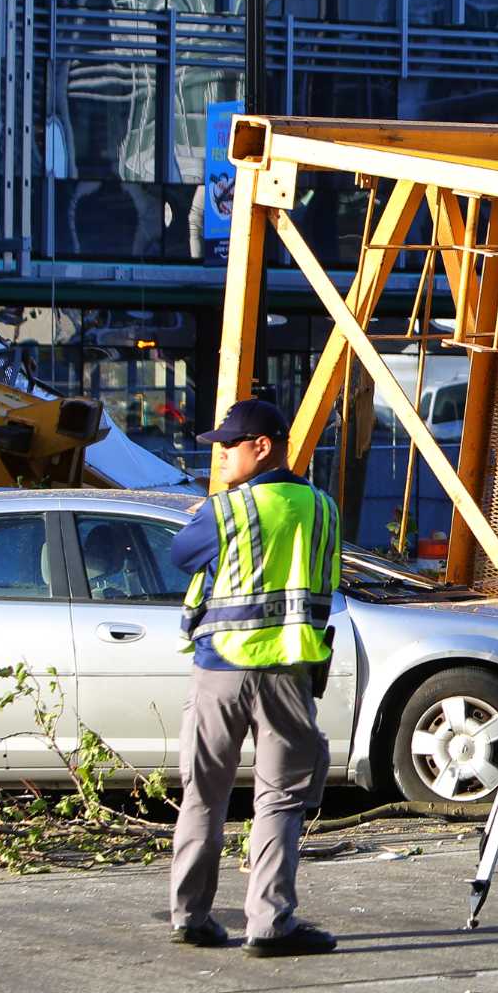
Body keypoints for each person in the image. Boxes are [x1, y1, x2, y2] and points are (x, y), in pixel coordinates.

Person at [166, 397, 341, 957]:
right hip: (290, 673)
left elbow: (181, 556)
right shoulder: (323, 508)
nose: (220, 458)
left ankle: (191, 916)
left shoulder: (229, 511)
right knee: (281, 801)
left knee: (204, 795)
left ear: (260, 446)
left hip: (221, 670)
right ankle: (270, 924)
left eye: (226, 447)